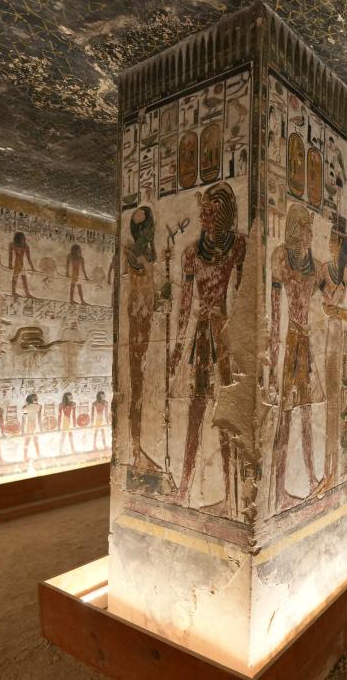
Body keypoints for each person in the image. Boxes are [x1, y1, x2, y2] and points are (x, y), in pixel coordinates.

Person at [169, 182, 246, 514]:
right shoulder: (191, 253)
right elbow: (185, 305)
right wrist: (176, 349)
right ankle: (184, 487)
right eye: (202, 212)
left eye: (210, 213)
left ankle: (230, 495)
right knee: (195, 411)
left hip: (224, 336)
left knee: (226, 414)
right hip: (202, 337)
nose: (203, 218)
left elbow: (242, 297)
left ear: (224, 215)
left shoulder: (237, 247)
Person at [270, 203, 324, 510]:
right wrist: (274, 350)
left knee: (306, 411)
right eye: (305, 228)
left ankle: (312, 476)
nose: (310, 234)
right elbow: (276, 310)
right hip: (290, 340)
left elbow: (322, 301)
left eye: (311, 229)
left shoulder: (314, 266)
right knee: (286, 413)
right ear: (294, 229)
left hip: (305, 342)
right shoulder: (281, 257)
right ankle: (278, 489)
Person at [318, 222, 347, 488]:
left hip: (339, 337)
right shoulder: (323, 269)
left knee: (336, 401)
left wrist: (334, 312)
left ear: (341, 243)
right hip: (322, 336)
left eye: (333, 240)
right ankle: (327, 469)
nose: (329, 243)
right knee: (327, 401)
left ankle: (333, 471)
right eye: (329, 240)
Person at [125, 206, 161, 470]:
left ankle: (139, 448)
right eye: (146, 228)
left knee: (144, 381)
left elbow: (151, 283)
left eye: (149, 227)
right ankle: (135, 451)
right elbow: (142, 280)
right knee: (137, 380)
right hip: (138, 315)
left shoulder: (146, 252)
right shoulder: (133, 253)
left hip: (147, 314)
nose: (149, 232)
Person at [9, 232, 36, 298]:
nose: (24, 239)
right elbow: (10, 256)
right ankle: (17, 293)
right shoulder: (13, 245)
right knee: (18, 277)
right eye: (23, 238)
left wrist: (32, 268)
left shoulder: (25, 246)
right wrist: (10, 264)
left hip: (20, 264)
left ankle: (25, 293)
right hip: (18, 264)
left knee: (21, 278)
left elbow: (29, 258)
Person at [21, 393, 42, 461]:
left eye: (36, 398)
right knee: (33, 441)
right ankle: (37, 455)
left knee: (29, 441)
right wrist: (41, 428)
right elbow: (39, 419)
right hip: (32, 424)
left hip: (30, 424)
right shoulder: (38, 406)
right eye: (35, 398)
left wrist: (22, 430)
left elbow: (24, 418)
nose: (36, 399)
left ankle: (26, 456)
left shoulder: (25, 407)